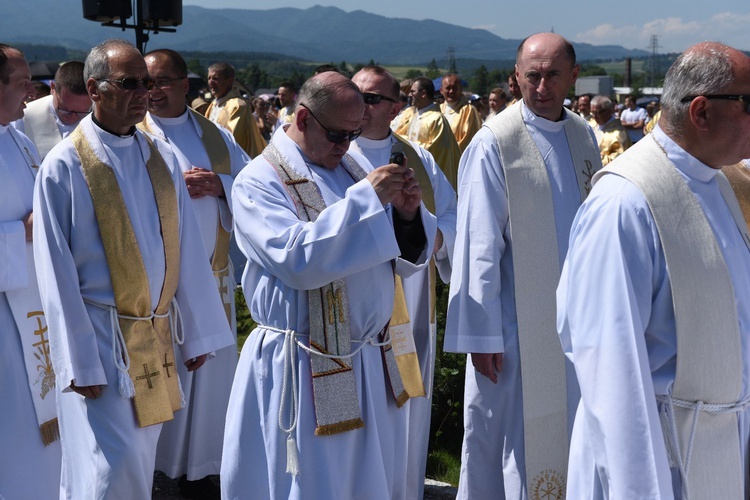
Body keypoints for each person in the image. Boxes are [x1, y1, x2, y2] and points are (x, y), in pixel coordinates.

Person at [221, 70, 437, 499]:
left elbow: (393, 257)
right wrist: (368, 200)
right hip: (303, 364)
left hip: (368, 362)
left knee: (367, 483)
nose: (346, 145)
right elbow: (298, 260)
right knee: (314, 484)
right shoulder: (258, 181)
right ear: (303, 119)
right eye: (339, 134)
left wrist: (408, 216)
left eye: (354, 133)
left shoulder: (351, 165)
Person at [33, 39, 233, 498]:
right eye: (129, 83)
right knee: (111, 467)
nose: (143, 92)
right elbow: (55, 271)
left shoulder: (160, 157)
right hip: (101, 342)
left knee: (139, 462)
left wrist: (198, 333)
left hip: (157, 341)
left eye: (146, 82)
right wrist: (78, 361)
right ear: (94, 89)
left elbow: (186, 249)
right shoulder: (64, 165)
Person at [558, 42, 750, 499]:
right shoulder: (626, 203)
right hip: (662, 457)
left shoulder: (719, 183)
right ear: (701, 112)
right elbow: (609, 367)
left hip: (720, 442)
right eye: (749, 104)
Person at [444, 32, 601, 499]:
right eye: (531, 75)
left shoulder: (582, 133)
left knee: (573, 430)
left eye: (553, 75)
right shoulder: (496, 142)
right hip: (515, 328)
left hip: (578, 321)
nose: (541, 86)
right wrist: (482, 334)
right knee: (509, 438)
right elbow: (477, 244)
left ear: (573, 76)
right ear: (516, 77)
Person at [140, 48, 250, 497]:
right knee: (161, 379)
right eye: (144, 82)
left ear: (185, 86)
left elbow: (254, 185)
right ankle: (157, 467)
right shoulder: (134, 135)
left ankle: (204, 466)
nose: (151, 91)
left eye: (161, 81)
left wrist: (220, 186)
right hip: (157, 289)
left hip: (213, 280)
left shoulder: (217, 137)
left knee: (208, 384)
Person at [350, 64, 457, 500]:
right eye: (355, 96)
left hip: (410, 305)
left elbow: (452, 214)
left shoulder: (419, 159)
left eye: (372, 99)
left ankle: (403, 490)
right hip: (355, 312)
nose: (361, 106)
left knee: (408, 407)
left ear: (396, 107)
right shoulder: (336, 154)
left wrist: (435, 238)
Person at [0, 42, 62, 500]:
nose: (32, 89)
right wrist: (18, 233)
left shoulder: (18, 138)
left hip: (33, 306)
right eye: (22, 81)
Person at [393, 76, 461, 188]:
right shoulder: (414, 115)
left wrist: (407, 145)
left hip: (431, 178)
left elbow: (435, 150)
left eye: (412, 91)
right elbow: (400, 135)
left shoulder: (437, 119)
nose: (409, 95)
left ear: (423, 93)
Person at [19, 60, 90, 159]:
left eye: (81, 111)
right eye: (66, 109)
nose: (72, 118)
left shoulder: (101, 118)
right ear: (52, 88)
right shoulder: (24, 116)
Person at [205, 61, 266, 158]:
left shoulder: (238, 106)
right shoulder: (213, 104)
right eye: (209, 78)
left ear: (229, 81)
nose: (210, 82)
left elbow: (233, 140)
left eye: (215, 78)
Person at [439, 73, 482, 153]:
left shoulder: (469, 110)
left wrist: (447, 155)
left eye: (455, 88)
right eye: (448, 88)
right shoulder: (438, 110)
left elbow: (468, 141)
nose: (451, 91)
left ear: (460, 89)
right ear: (441, 90)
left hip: (457, 160)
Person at [590, 94, 630, 165]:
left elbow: (618, 159)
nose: (594, 116)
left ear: (609, 111)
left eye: (597, 113)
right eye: (592, 113)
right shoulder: (591, 125)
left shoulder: (619, 134)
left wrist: (593, 158)